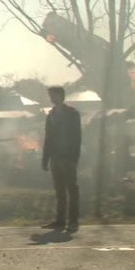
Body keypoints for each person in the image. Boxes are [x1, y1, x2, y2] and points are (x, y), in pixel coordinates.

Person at [41, 86, 81, 232]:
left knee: (71, 188)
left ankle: (73, 221)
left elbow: (77, 137)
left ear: (61, 95)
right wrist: (45, 158)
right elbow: (48, 138)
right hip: (55, 157)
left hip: (68, 157)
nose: (51, 98)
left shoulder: (72, 113)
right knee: (59, 190)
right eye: (50, 95)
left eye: (54, 95)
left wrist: (74, 157)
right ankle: (60, 221)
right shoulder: (50, 114)